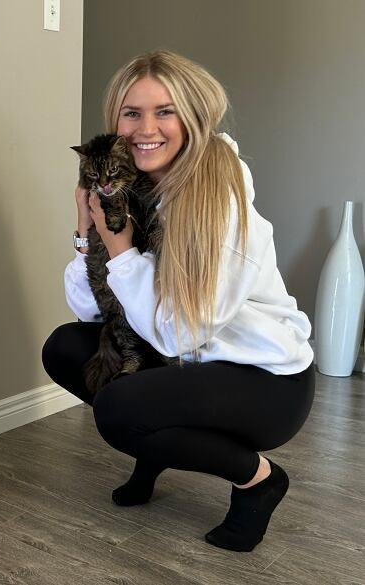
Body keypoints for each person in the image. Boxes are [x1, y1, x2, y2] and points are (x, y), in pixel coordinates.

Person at [42, 50, 314, 552]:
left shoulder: (222, 203)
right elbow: (92, 312)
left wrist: (121, 248)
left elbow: (179, 332)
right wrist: (87, 231)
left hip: (262, 378)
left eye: (164, 111)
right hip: (182, 361)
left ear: (193, 117)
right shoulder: (135, 189)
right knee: (64, 347)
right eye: (132, 113)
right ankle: (155, 444)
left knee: (121, 410)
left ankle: (259, 480)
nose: (147, 127)